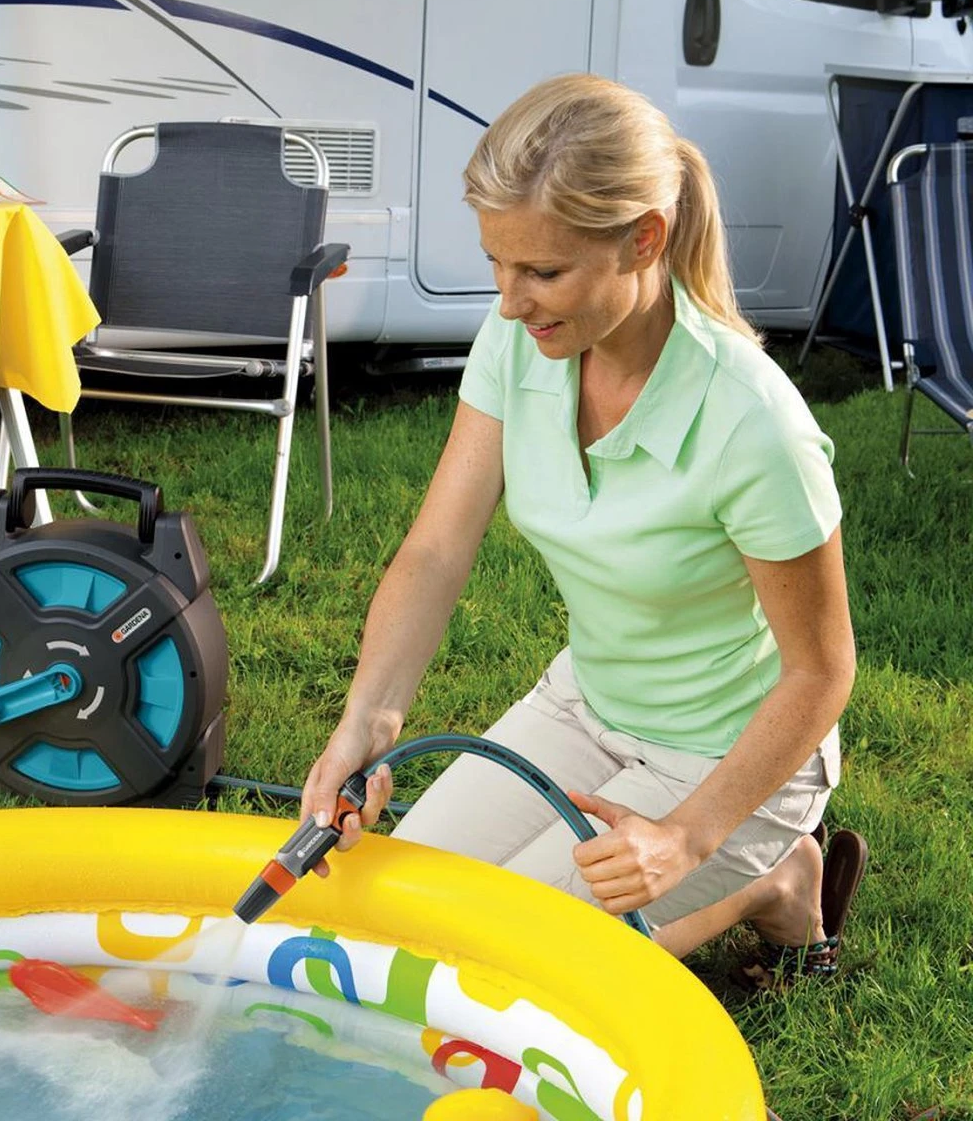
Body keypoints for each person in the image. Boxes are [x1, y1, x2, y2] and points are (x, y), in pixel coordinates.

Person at [300, 73, 869, 980]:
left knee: (504, 966)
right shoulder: (521, 342)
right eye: (498, 263)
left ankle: (770, 874)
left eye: (543, 272)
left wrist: (686, 837)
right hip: (581, 709)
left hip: (728, 759)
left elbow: (821, 671)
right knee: (397, 918)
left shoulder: (754, 423)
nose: (509, 300)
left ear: (644, 239)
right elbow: (437, 550)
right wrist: (366, 720)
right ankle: (756, 879)